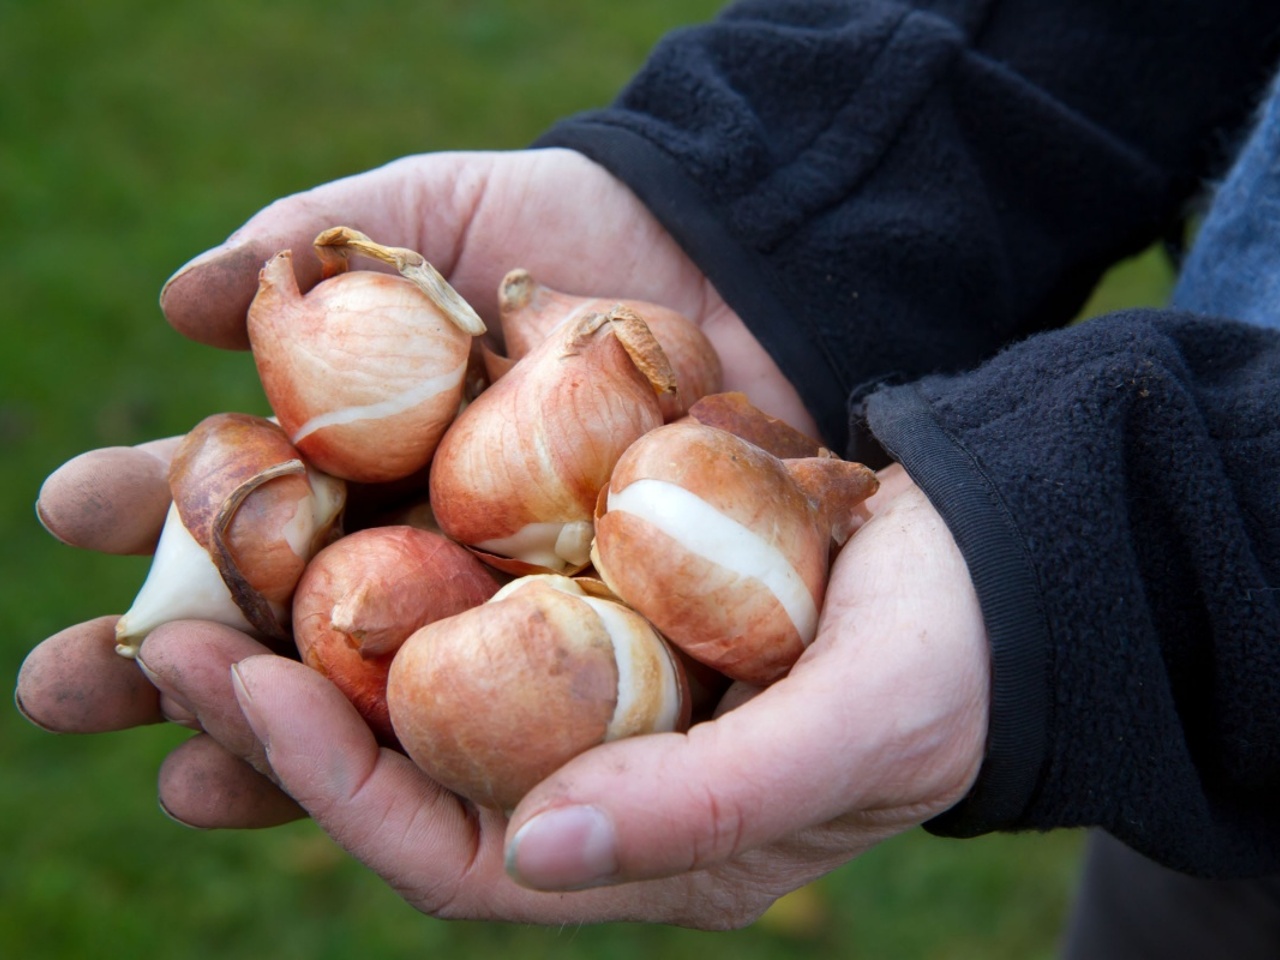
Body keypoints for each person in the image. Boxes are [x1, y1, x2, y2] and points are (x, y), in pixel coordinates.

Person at [15, 0, 1280, 949]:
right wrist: (766, 206)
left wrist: (1116, 548)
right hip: (1211, 785)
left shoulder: (593, 479)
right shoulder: (553, 475)